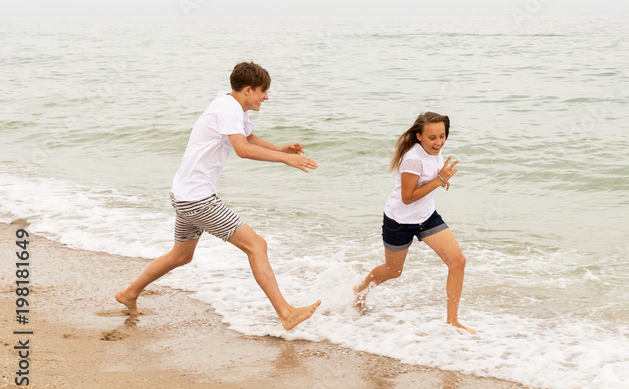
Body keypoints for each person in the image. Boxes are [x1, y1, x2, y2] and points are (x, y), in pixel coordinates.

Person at [116, 61, 321, 331]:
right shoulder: (228, 108)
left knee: (181, 256)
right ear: (248, 90)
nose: (266, 97)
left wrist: (280, 149)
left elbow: (248, 137)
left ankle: (129, 293)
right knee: (256, 245)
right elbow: (242, 150)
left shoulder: (228, 103)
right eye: (263, 91)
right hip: (198, 199)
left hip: (184, 194)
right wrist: (285, 159)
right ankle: (286, 313)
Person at [354, 112, 476, 334]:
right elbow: (407, 197)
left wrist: (439, 179)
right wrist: (439, 180)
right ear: (419, 136)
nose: (438, 142)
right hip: (400, 221)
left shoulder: (434, 150)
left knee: (458, 261)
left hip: (426, 217)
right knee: (393, 271)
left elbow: (429, 177)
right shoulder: (412, 159)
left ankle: (452, 321)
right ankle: (360, 291)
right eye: (432, 138)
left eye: (442, 136)